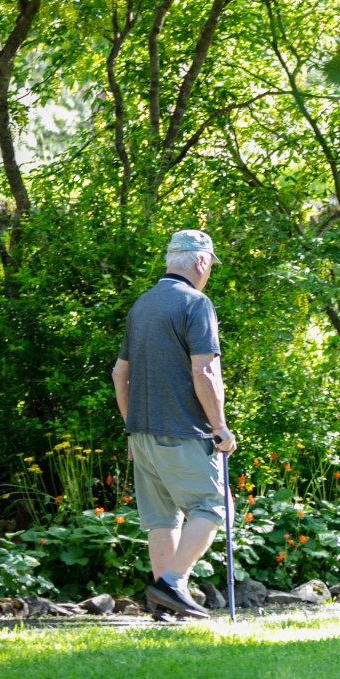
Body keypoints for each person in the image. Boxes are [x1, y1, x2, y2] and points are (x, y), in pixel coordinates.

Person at [111, 229, 237, 617]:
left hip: (143, 434)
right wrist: (220, 426)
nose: (208, 273)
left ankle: (163, 609)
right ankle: (172, 583)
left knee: (163, 518)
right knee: (215, 506)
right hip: (183, 431)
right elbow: (205, 372)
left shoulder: (142, 305)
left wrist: (132, 429)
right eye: (209, 266)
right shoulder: (195, 304)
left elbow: (120, 374)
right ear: (200, 262)